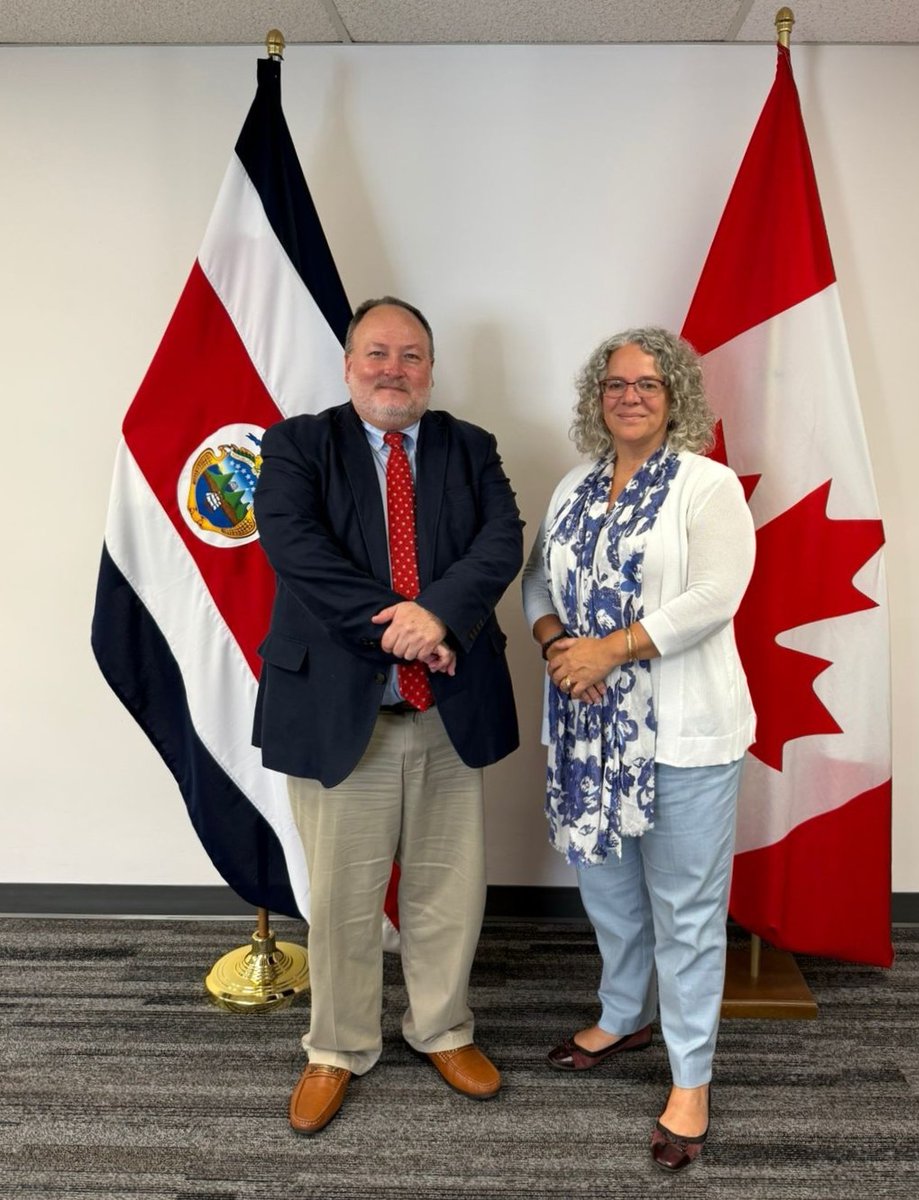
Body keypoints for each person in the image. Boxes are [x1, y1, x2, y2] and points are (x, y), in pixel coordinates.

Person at [253, 296, 522, 1134]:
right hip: (342, 714)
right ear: (348, 364)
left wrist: (437, 616)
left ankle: (443, 1028)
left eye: (411, 356)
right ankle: (336, 1047)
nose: (393, 370)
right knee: (342, 898)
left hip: (447, 711)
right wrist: (405, 629)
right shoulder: (298, 444)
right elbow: (298, 551)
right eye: (377, 353)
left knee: (449, 889)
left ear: (431, 370)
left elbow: (501, 541)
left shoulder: (470, 446)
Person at [522, 327, 755, 1172]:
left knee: (686, 913)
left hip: (683, 736)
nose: (630, 395)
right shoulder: (573, 486)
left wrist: (608, 651)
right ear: (598, 397)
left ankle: (691, 1080)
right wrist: (559, 646)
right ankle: (624, 1015)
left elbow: (715, 596)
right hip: (587, 733)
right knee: (612, 897)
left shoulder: (706, 485)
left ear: (674, 396)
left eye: (648, 383)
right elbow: (537, 581)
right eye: (615, 383)